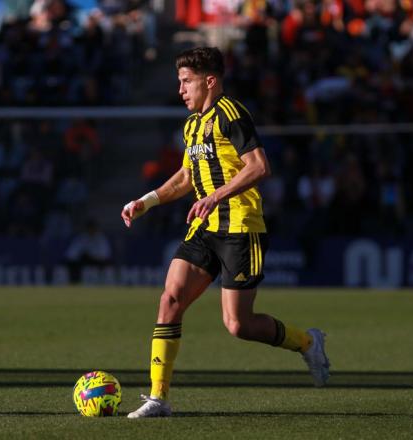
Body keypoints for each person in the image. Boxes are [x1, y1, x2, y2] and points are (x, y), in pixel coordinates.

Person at [121, 46, 330, 418]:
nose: (181, 89)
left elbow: (259, 166)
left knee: (238, 324)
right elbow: (186, 177)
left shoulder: (231, 114)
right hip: (204, 227)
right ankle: (159, 398)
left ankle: (308, 342)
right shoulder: (191, 125)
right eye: (179, 82)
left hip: (240, 227)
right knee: (170, 300)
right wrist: (147, 201)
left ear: (210, 81)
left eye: (187, 82)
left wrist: (215, 196)